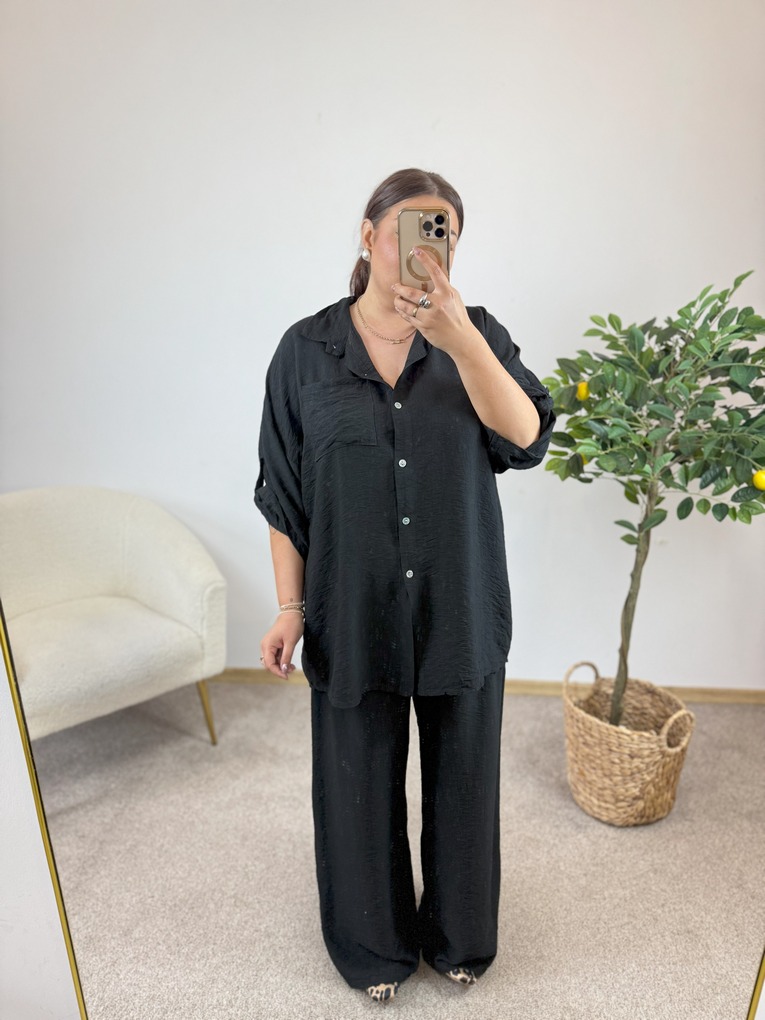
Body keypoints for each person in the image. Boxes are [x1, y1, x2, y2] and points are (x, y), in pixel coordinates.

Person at [255, 168, 554, 1004]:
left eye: (442, 231)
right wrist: (289, 608)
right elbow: (282, 492)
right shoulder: (304, 350)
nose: (427, 245)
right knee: (354, 783)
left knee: (464, 783)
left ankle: (459, 940)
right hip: (350, 608)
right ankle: (371, 949)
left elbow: (526, 437)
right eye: (411, 227)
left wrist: (460, 342)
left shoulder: (477, 333)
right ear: (368, 234)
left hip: (458, 601)